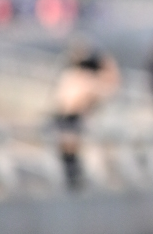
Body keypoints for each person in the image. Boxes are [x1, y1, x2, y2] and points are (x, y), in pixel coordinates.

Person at [51, 41, 120, 188]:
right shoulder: (81, 78)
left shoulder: (75, 77)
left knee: (70, 152)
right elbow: (110, 88)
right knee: (69, 152)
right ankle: (73, 179)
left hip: (69, 116)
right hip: (69, 116)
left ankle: (73, 179)